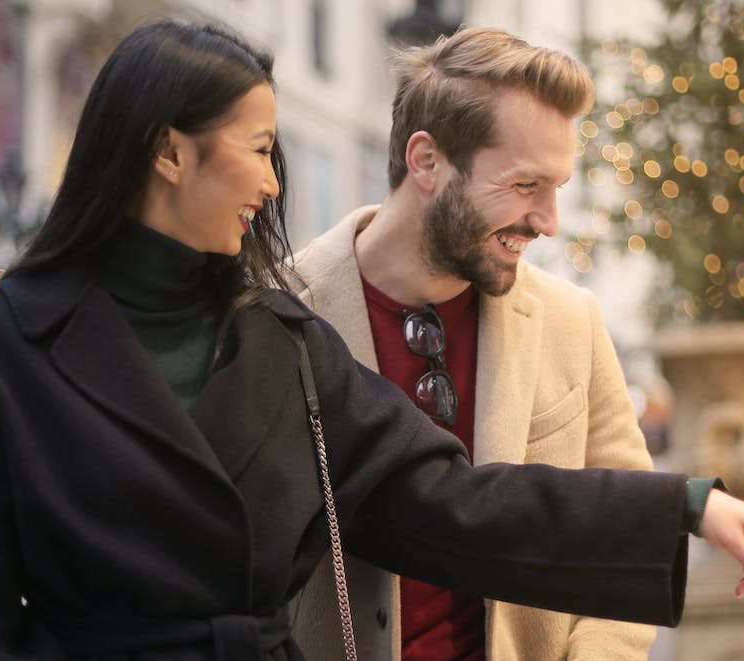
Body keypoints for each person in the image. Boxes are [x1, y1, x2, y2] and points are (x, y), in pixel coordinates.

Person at [0, 18, 744, 661]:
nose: (275, 182)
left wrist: (681, 506)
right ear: (168, 151)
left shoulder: (275, 340)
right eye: (257, 147)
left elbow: (450, 502)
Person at [287, 28, 662, 661]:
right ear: (426, 161)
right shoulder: (278, 316)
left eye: (555, 190)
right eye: (524, 187)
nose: (547, 221)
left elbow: (622, 544)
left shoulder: (573, 323)